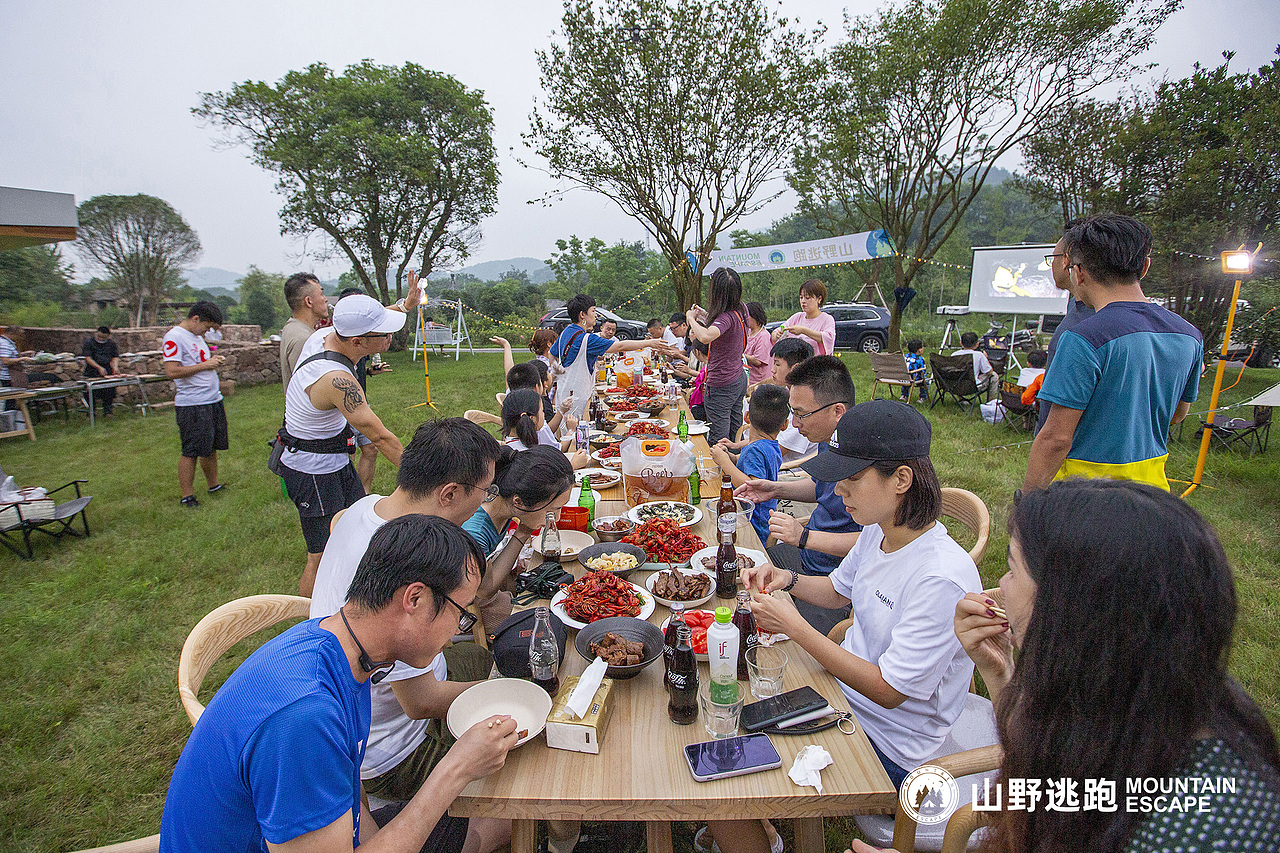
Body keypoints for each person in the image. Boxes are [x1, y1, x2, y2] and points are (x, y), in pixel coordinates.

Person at [944, 479, 1280, 853]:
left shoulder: (1194, 831)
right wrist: (1000, 673)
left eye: (1012, 569)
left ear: (1075, 610)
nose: (1001, 585)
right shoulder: (1144, 696)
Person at [160, 514, 519, 853]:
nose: (457, 630)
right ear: (415, 598)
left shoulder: (337, 645)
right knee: (498, 820)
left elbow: (349, 802)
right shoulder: (305, 715)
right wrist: (457, 768)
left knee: (504, 822)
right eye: (461, 612)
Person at [712, 401, 980, 853]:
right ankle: (765, 834)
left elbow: (890, 691)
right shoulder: (879, 529)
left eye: (851, 478)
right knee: (723, 713)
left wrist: (797, 628)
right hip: (842, 698)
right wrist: (788, 579)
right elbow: (839, 592)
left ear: (901, 479)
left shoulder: (939, 577)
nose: (838, 490)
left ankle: (755, 833)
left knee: (723, 771)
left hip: (891, 745)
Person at [307, 421, 511, 853]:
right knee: (518, 796)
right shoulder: (308, 720)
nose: (485, 505)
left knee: (497, 661)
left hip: (363, 734)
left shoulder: (364, 511)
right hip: (394, 747)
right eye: (485, 493)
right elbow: (419, 702)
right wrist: (505, 703)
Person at [1022, 214, 1202, 493]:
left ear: (1078, 272)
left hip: (1083, 494)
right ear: (1144, 267)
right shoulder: (1189, 335)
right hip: (1151, 491)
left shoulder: (1084, 337)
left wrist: (1028, 508)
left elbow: (1056, 438)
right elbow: (1178, 414)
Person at [281, 295, 406, 597]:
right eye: (383, 334)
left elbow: (361, 319)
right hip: (312, 472)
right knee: (320, 555)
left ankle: (345, 596)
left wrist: (405, 305)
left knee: (353, 533)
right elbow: (380, 437)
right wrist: (425, 478)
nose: (390, 338)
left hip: (334, 461)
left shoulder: (325, 335)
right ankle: (307, 626)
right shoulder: (336, 380)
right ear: (358, 343)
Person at [735, 355, 861, 635]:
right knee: (735, 583)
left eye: (801, 414)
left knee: (774, 645)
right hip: (804, 560)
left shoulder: (865, 459)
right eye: (792, 412)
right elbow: (820, 488)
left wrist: (804, 536)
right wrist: (773, 487)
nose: (793, 423)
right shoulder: (830, 440)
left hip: (833, 583)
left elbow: (878, 540)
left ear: (837, 410)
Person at [462, 446, 575, 601]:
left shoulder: (503, 504)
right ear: (519, 502)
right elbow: (483, 590)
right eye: (552, 511)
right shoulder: (475, 533)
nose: (557, 518)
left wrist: (523, 530)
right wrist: (522, 533)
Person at [551, 294, 675, 419]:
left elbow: (552, 354)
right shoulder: (587, 339)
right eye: (593, 311)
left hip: (564, 393)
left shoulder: (565, 332)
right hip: (576, 399)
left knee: (564, 431)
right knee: (574, 432)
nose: (596, 315)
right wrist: (649, 342)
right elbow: (619, 346)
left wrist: (559, 374)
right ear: (582, 315)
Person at [163, 302, 228, 507]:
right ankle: (187, 495)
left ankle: (213, 484)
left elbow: (198, 363)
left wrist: (212, 361)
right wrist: (205, 365)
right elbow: (172, 371)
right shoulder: (174, 337)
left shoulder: (197, 337)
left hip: (211, 398)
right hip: (192, 403)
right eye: (207, 326)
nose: (208, 331)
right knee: (191, 450)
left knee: (210, 447)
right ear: (196, 318)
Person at [710, 384, 788, 545]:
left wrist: (724, 462)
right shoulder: (770, 446)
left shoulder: (756, 449)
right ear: (784, 424)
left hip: (751, 524)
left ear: (746, 417)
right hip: (758, 519)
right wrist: (731, 457)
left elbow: (752, 486)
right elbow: (748, 464)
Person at [1036, 219, 1094, 433]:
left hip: (1075, 452)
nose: (1051, 265)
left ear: (1066, 260)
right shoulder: (1075, 305)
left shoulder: (1092, 323)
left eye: (1052, 258)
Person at [687, 267, 749, 444]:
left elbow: (706, 337)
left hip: (722, 384)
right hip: (738, 378)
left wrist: (691, 318)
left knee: (719, 438)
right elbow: (721, 328)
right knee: (736, 432)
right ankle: (737, 467)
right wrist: (703, 315)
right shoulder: (741, 309)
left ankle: (721, 470)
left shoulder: (726, 317)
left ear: (716, 292)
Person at [500, 388, 589, 467]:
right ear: (532, 419)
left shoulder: (524, 439)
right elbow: (545, 483)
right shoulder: (521, 455)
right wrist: (572, 465)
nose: (543, 414)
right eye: (542, 411)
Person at [280, 272, 330, 389]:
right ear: (308, 301)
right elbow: (311, 389)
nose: (325, 299)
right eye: (321, 294)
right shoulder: (303, 339)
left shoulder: (293, 328)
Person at [770, 279, 836, 355]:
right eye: (801, 298)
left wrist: (803, 330)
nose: (803, 301)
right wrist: (776, 335)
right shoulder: (797, 317)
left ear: (819, 299)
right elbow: (780, 329)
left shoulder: (827, 319)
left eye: (807, 298)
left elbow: (828, 338)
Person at [82, 325, 125, 417]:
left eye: (104, 337)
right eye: (100, 337)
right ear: (96, 333)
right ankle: (91, 412)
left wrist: (115, 367)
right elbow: (88, 358)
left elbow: (115, 357)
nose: (101, 339)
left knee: (109, 391)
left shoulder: (112, 344)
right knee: (90, 393)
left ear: (108, 336)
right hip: (92, 371)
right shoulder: (89, 343)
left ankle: (108, 411)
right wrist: (99, 367)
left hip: (108, 371)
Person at [951, 331, 999, 402]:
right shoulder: (979, 355)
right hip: (971, 386)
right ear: (977, 344)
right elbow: (989, 372)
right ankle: (990, 402)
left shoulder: (954, 354)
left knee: (960, 375)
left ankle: (961, 399)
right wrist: (985, 358)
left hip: (954, 386)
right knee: (994, 376)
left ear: (961, 343)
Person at [743, 302, 773, 388]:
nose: (746, 319)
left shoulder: (763, 336)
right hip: (748, 380)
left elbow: (758, 361)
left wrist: (741, 355)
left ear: (755, 317)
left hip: (759, 382)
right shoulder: (747, 332)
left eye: (748, 316)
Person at [902, 339, 929, 403]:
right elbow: (923, 371)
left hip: (903, 378)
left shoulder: (905, 356)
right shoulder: (920, 359)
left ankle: (904, 395)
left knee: (907, 377)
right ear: (919, 350)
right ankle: (922, 397)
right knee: (926, 381)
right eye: (922, 347)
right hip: (914, 379)